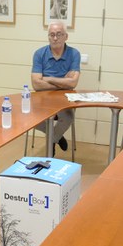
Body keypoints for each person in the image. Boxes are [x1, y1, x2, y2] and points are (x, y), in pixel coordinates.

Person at [31, 21, 81, 155]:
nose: (55, 38)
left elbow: (73, 83)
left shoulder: (74, 54)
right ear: (48, 36)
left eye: (59, 34)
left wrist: (48, 78)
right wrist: (63, 81)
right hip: (42, 97)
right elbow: (36, 84)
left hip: (65, 97)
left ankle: (52, 140)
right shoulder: (39, 54)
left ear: (66, 36)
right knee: (31, 118)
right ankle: (57, 137)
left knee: (68, 118)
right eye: (51, 35)